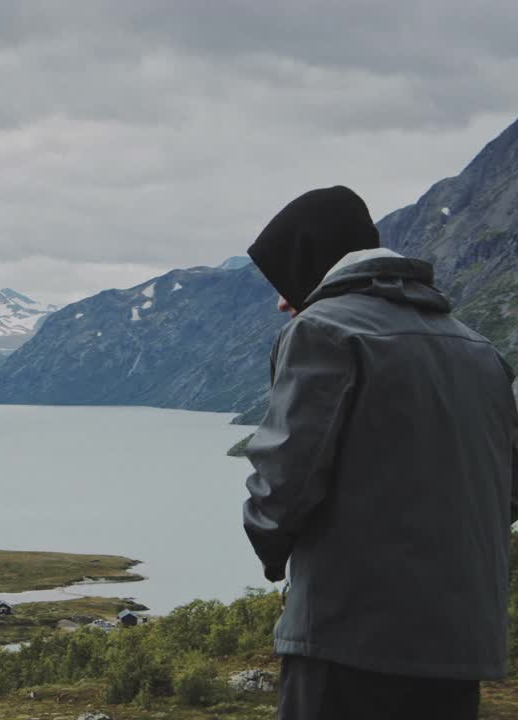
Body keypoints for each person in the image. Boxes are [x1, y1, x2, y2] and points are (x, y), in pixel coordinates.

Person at [241, 186, 518, 720]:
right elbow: (506, 488)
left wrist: (269, 546)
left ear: (311, 261)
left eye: (282, 278)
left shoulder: (323, 330)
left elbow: (285, 479)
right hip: (460, 648)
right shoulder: (480, 350)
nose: (281, 300)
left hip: (349, 638)